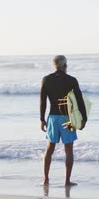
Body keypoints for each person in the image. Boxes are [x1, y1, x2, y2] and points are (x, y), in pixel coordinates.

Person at [39, 55, 87, 186]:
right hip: (67, 118)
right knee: (68, 149)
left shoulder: (46, 79)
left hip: (53, 118)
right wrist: (84, 119)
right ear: (65, 65)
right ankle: (67, 181)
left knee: (49, 148)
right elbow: (79, 100)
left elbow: (43, 101)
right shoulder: (71, 80)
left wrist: (42, 119)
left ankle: (45, 179)